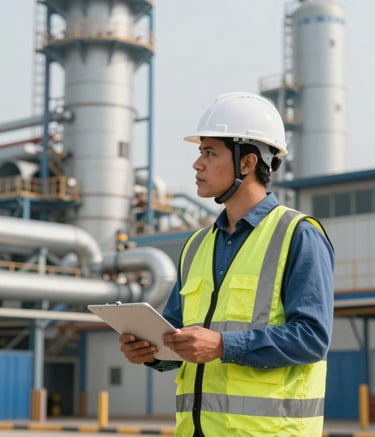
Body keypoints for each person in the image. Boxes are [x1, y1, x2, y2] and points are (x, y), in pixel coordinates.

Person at [119, 92, 334, 437]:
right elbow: (179, 335)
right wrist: (151, 351)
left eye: (209, 152)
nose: (197, 164)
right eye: (199, 152)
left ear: (247, 163)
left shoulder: (298, 235)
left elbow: (311, 338)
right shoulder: (197, 245)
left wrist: (222, 345)